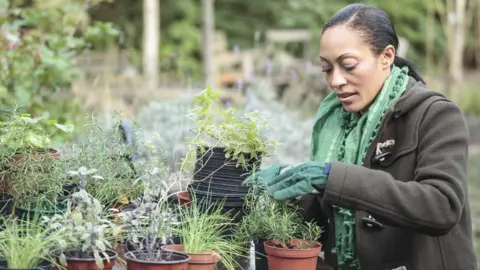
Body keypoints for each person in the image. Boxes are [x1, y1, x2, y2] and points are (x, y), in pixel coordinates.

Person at [243, 3, 477, 270]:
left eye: (348, 65)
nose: (336, 80)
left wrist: (334, 177)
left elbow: (442, 206)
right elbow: (326, 220)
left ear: (387, 56)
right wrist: (289, 192)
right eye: (327, 69)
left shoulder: (435, 115)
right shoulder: (334, 122)